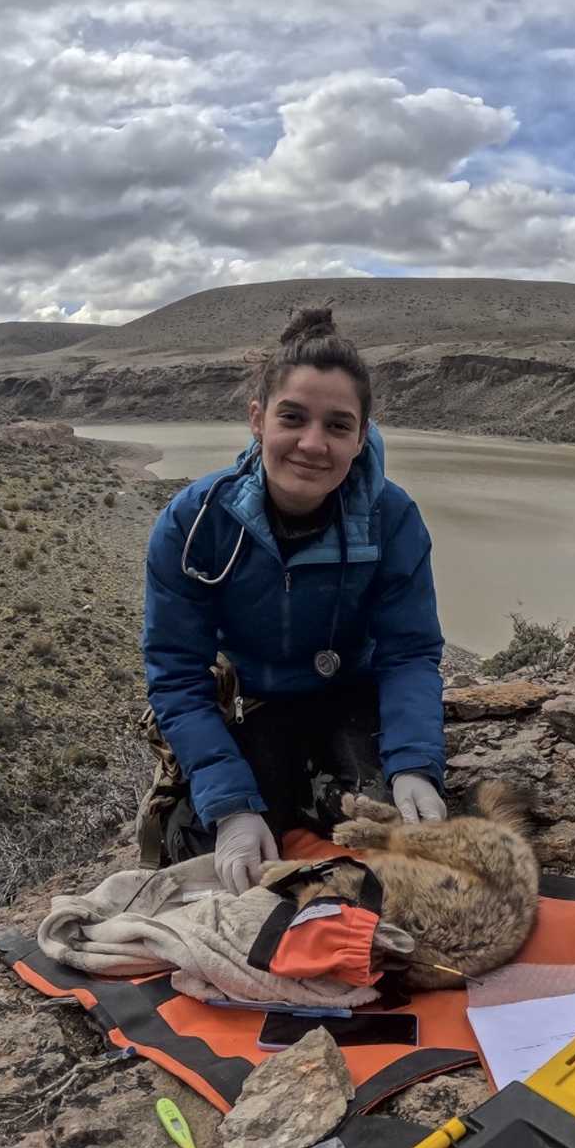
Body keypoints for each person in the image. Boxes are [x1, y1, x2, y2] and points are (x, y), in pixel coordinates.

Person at [138, 307, 447, 893]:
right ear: (257, 420)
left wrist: (414, 764)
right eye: (292, 418)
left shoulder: (393, 518)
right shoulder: (193, 524)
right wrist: (230, 805)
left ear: (361, 436)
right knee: (209, 848)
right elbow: (177, 675)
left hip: (355, 696)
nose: (312, 443)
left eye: (337, 425)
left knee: (398, 834)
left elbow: (408, 654)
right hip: (257, 704)